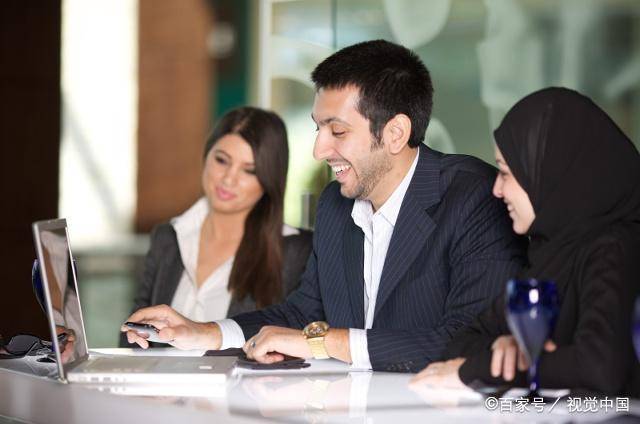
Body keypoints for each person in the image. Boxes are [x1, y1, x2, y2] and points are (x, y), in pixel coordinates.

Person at [122, 40, 525, 372]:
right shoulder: (336, 204)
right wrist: (204, 332)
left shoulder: (474, 197)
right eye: (318, 128)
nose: (319, 149)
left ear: (396, 133)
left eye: (337, 131)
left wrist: (321, 342)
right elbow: (305, 311)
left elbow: (471, 339)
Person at [411, 87, 640, 395]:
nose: (497, 190)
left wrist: (485, 368)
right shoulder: (550, 253)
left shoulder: (614, 248)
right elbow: (461, 343)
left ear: (551, 173)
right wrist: (504, 346)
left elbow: (599, 368)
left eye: (506, 173)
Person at [119, 107, 312, 347]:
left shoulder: (298, 251)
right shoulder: (168, 237)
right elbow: (130, 332)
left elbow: (301, 340)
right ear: (206, 156)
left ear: (269, 179)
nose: (229, 179)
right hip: (161, 383)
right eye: (222, 160)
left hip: (243, 384)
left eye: (249, 170)